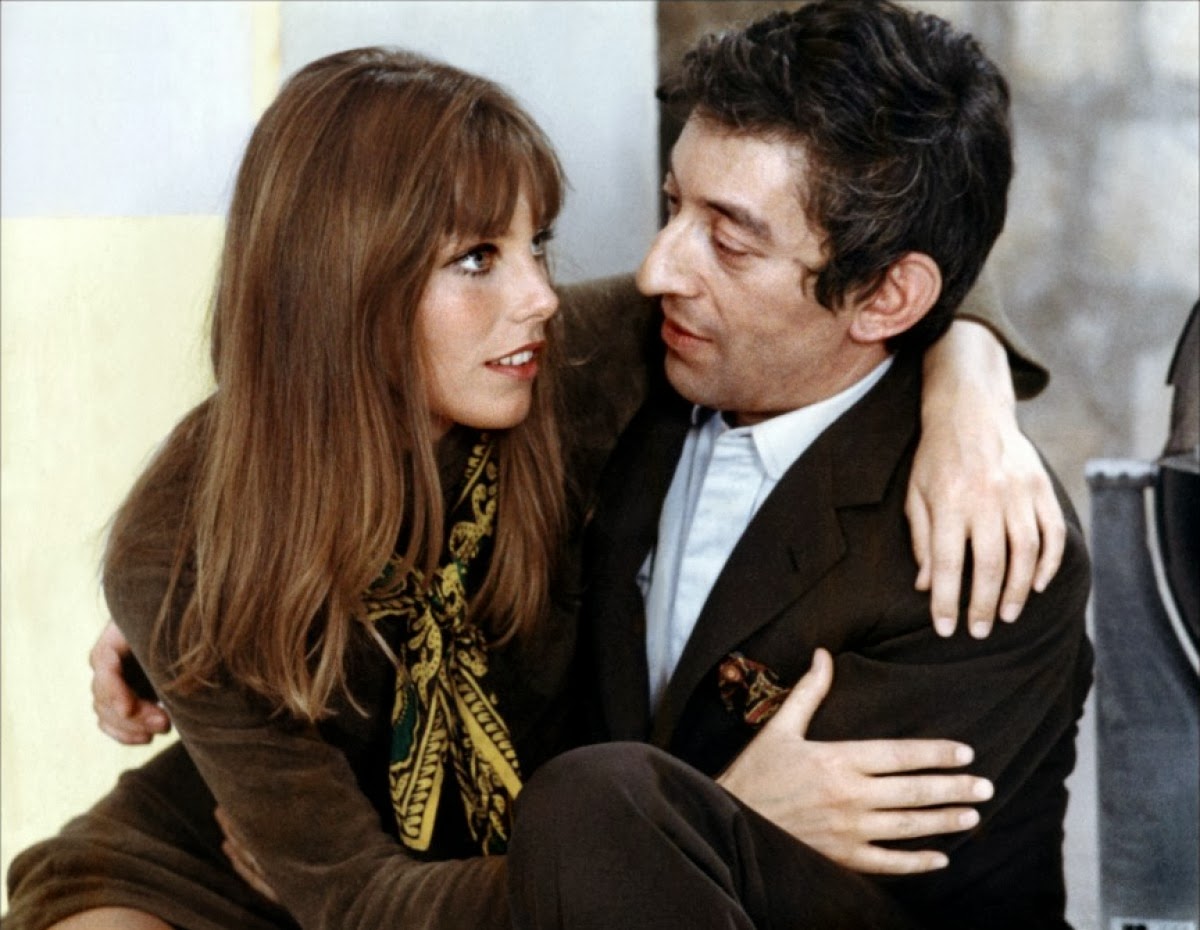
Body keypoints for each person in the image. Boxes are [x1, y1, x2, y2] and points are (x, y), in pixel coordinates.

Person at [9, 37, 1059, 930]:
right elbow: (357, 903)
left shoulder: (559, 372)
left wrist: (970, 381)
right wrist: (709, 822)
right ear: (345, 278)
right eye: (477, 257)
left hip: (478, 883)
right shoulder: (180, 545)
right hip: (247, 877)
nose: (544, 296)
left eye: (537, 244)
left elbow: (872, 269)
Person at [506, 3, 1091, 929]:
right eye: (673, 207)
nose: (659, 270)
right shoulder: (624, 376)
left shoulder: (986, 542)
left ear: (887, 297)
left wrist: (665, 818)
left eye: (730, 241)